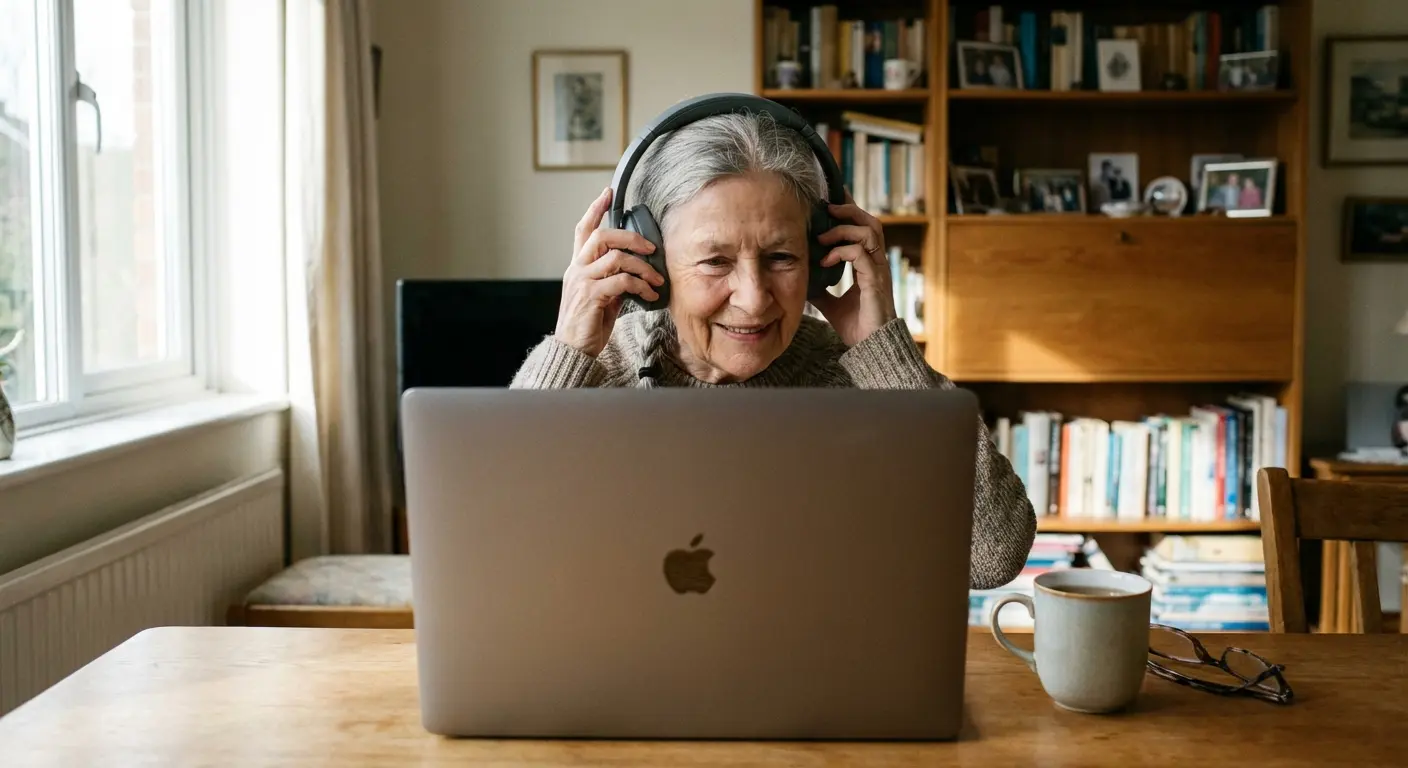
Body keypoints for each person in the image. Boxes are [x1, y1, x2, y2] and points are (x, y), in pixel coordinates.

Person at [511, 109, 1037, 590]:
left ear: (821, 258)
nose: (754, 298)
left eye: (781, 256)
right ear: (648, 262)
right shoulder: (592, 379)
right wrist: (569, 353)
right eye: (715, 261)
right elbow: (501, 549)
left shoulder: (865, 382)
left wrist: (885, 352)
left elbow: (991, 557)